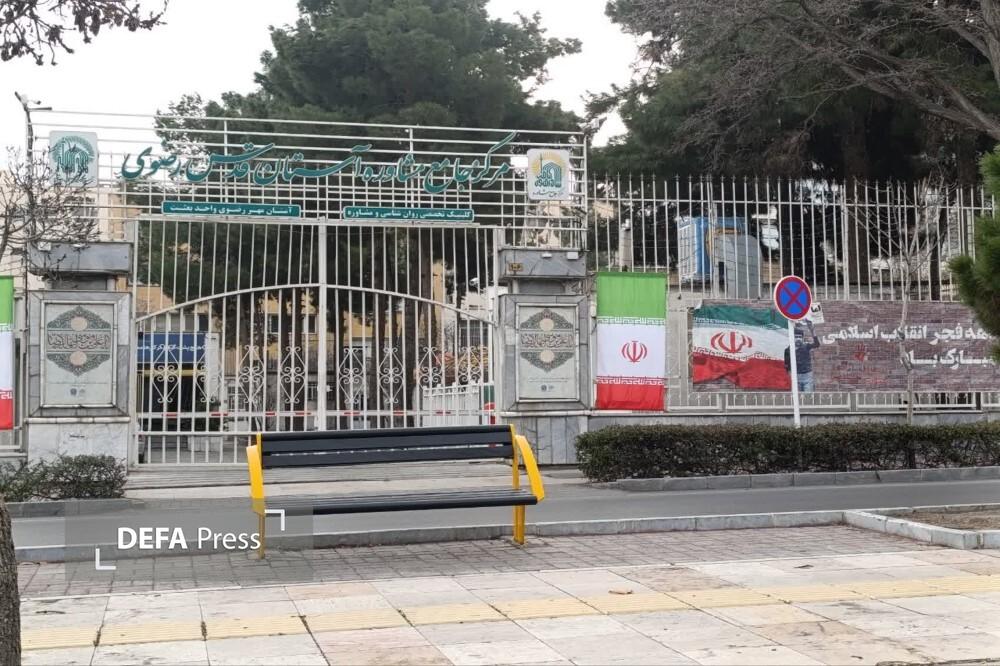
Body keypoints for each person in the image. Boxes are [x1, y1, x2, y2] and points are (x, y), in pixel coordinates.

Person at [783, 321, 821, 392]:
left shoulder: (806, 346)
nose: (798, 339)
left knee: (808, 397)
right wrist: (792, 377)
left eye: (800, 337)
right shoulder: (788, 350)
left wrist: (812, 330)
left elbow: (817, 344)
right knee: (797, 397)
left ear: (802, 338)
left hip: (807, 376)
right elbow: (787, 366)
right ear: (792, 338)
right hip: (796, 377)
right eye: (796, 337)